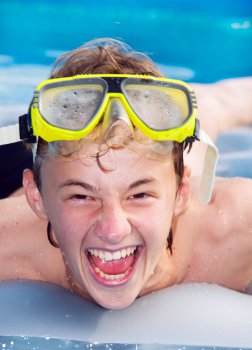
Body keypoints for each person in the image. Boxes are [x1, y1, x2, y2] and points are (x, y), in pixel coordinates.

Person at [0, 38, 252, 310]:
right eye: (82, 197)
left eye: (140, 194)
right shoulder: (9, 243)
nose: (113, 231)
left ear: (182, 193)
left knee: (210, 110)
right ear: (36, 198)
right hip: (14, 164)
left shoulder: (236, 230)